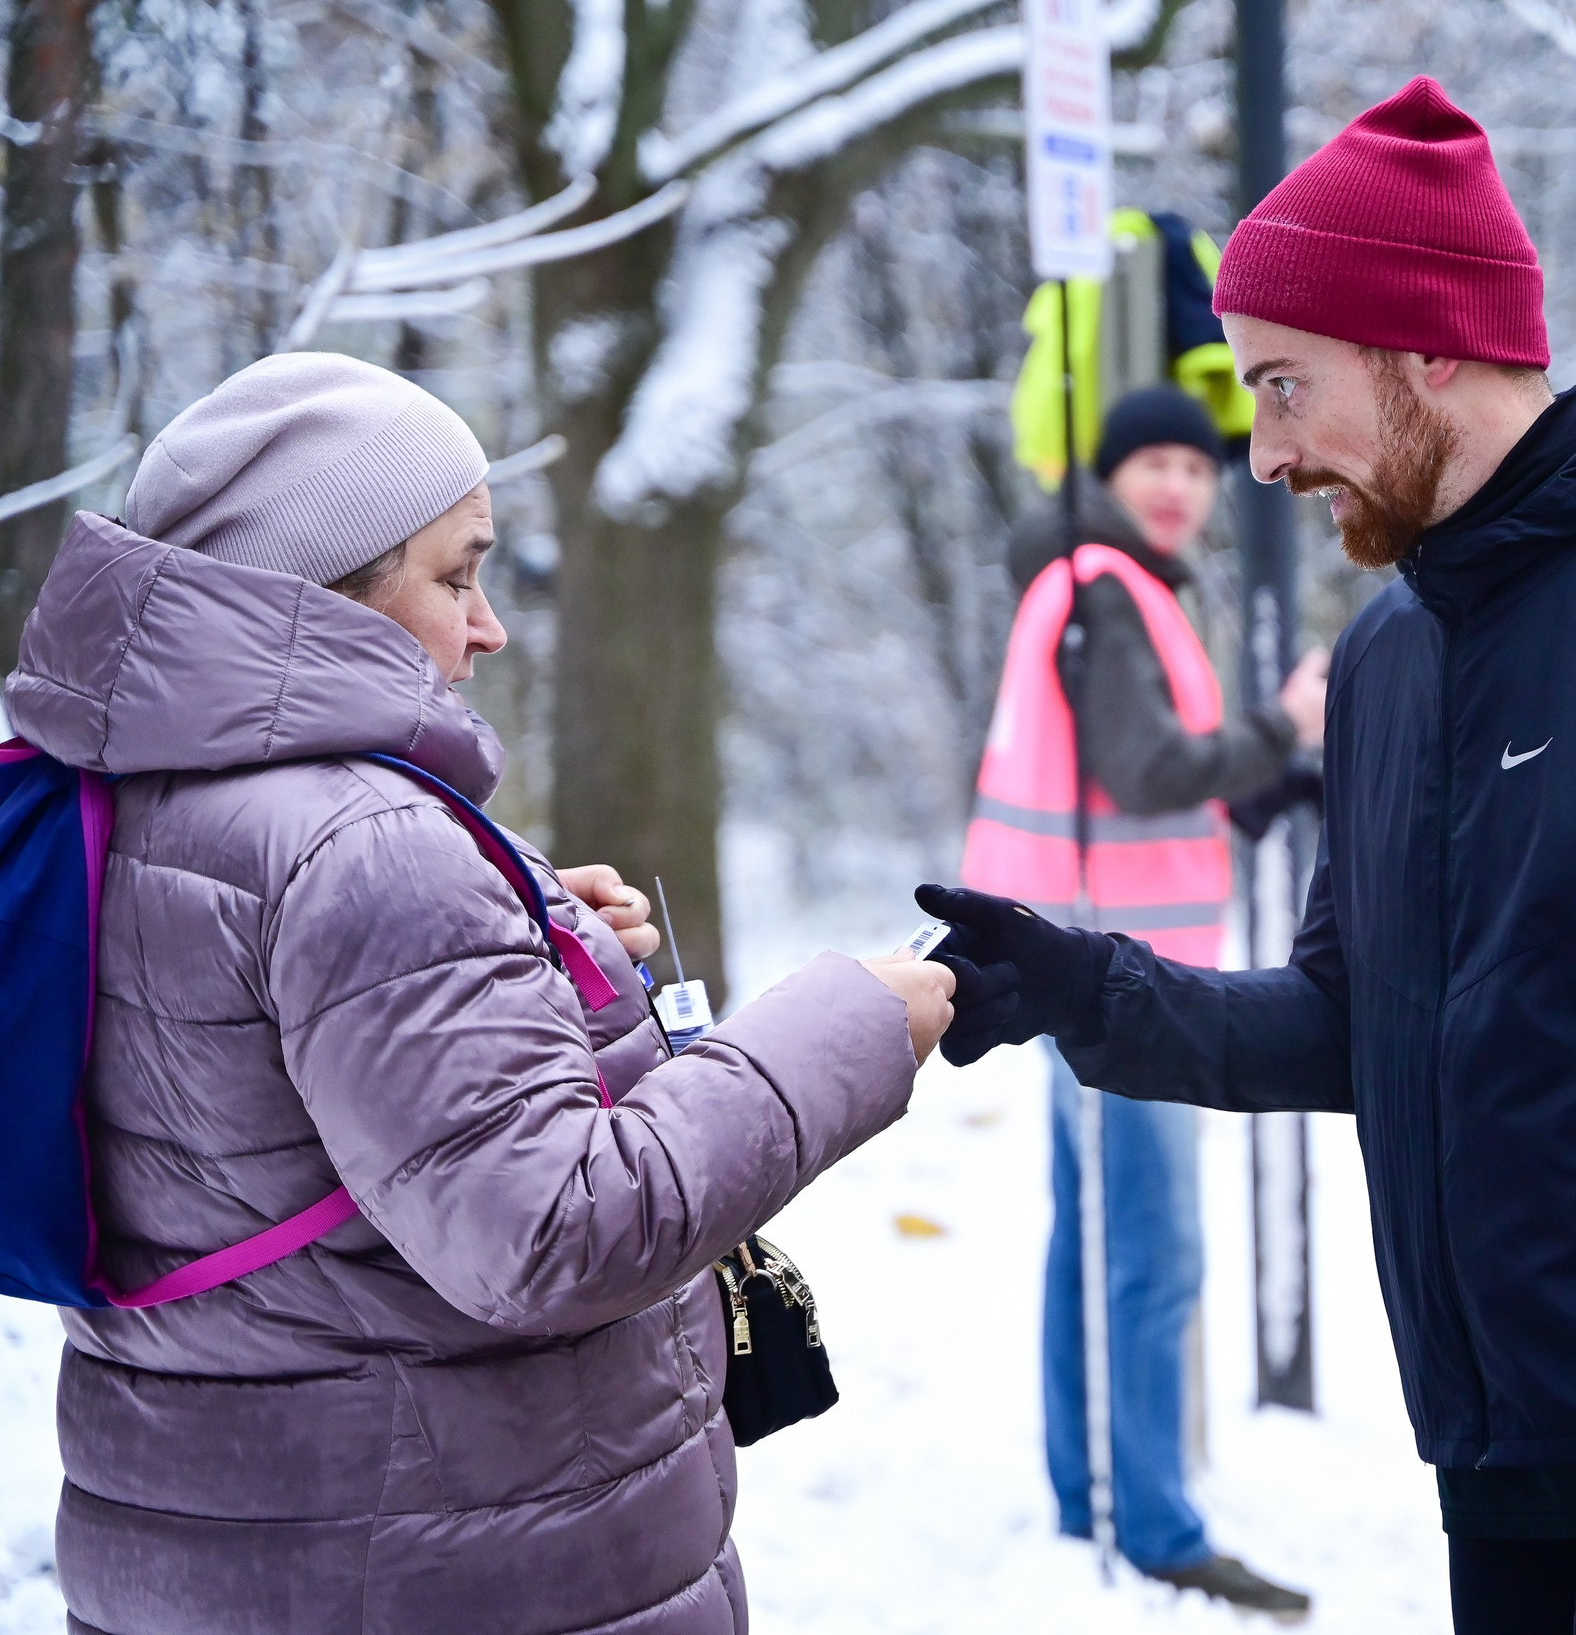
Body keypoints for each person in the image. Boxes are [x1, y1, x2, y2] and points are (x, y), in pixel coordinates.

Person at [920, 77, 1576, 1635]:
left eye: (1284, 386)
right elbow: (1354, 1017)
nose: (1262, 454)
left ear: (1426, 346)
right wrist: (1088, 988)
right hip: (1508, 1435)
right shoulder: (1392, 651)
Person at [3, 353, 958, 1635]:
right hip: (454, 1568)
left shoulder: (117, 797)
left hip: (207, 1556)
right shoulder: (364, 844)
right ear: (320, 592)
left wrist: (511, 940)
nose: (489, 624)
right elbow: (552, 1231)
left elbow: (254, 1112)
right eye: (457, 574)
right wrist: (848, 1025)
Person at [959, 383, 1324, 1617]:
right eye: (1152, 463)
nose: (1177, 484)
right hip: (1116, 975)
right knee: (1153, 1250)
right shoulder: (1108, 587)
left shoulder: (1101, 582)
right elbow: (1147, 766)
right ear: (1108, 478)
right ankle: (1156, 1524)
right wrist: (1285, 725)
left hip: (1081, 953)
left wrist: (1262, 779)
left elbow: (1136, 778)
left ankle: (1095, 1498)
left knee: (1094, 1238)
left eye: (1195, 465)